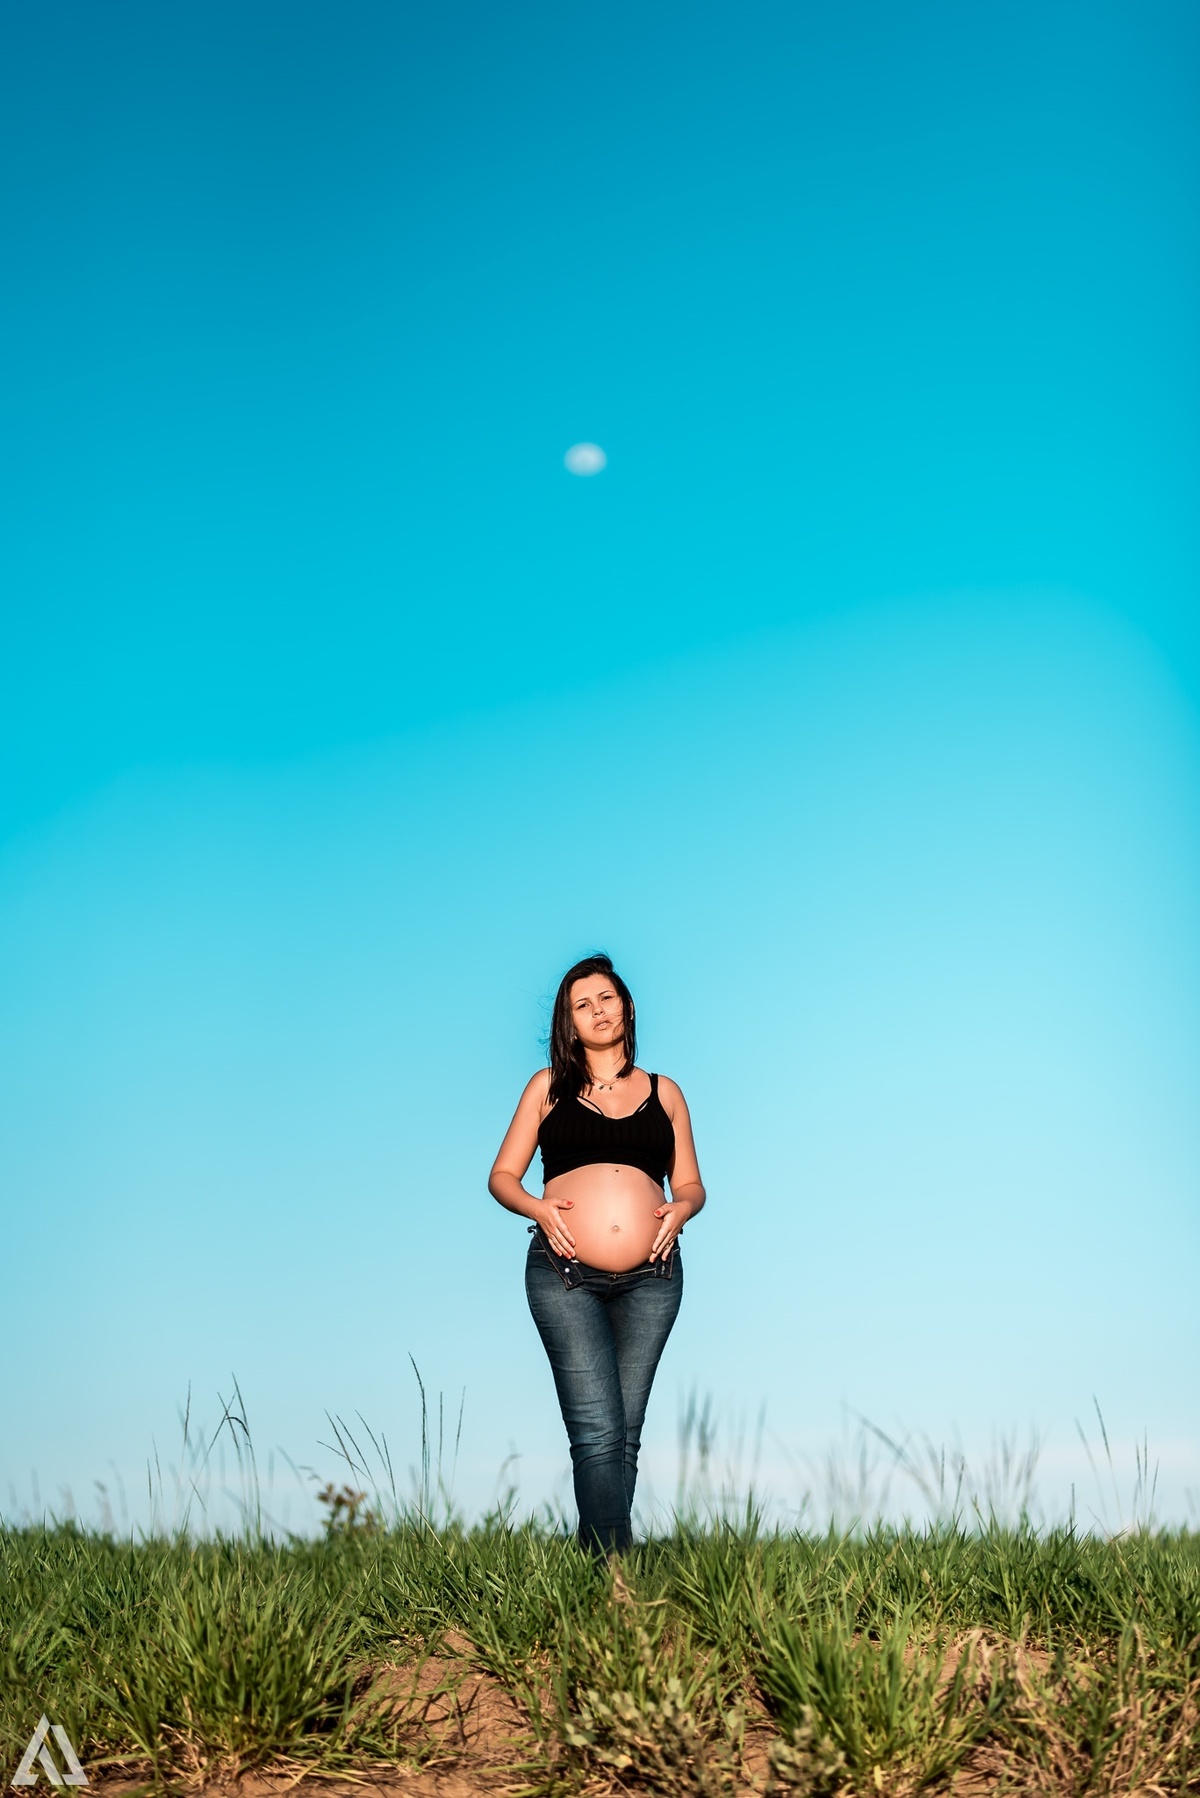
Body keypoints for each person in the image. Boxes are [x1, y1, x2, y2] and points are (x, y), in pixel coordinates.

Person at [488, 952, 706, 1555]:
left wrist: (682, 1209)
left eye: (606, 999)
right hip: (565, 1275)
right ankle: (616, 1574)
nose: (597, 1011)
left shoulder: (666, 1093)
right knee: (597, 1431)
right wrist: (537, 1207)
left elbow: (690, 1184)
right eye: (582, 1005)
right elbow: (502, 1176)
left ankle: (596, 1562)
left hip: (654, 1277)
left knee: (624, 1434)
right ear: (570, 1023)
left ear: (627, 1007)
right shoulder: (547, 1088)